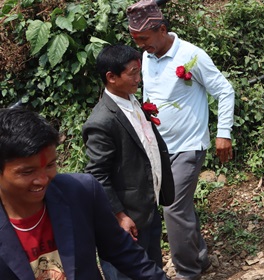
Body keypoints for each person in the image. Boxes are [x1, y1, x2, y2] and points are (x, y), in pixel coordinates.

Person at [127, 0, 235, 280]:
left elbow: (224, 91)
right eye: (137, 40)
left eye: (145, 38)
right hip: (159, 147)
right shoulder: (146, 57)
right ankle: (199, 257)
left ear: (162, 30)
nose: (142, 46)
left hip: (189, 146)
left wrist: (223, 133)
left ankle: (188, 273)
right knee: (181, 207)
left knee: (173, 208)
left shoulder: (191, 56)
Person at [0, 108, 168, 280]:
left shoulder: (80, 193)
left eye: (50, 165)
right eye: (27, 172)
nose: (43, 180)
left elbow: (121, 251)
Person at [83, 44, 175, 280]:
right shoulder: (102, 121)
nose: (139, 78)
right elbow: (97, 174)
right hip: (127, 220)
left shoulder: (132, 102)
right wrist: (119, 216)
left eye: (139, 71)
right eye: (133, 73)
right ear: (111, 77)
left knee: (152, 268)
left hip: (147, 209)